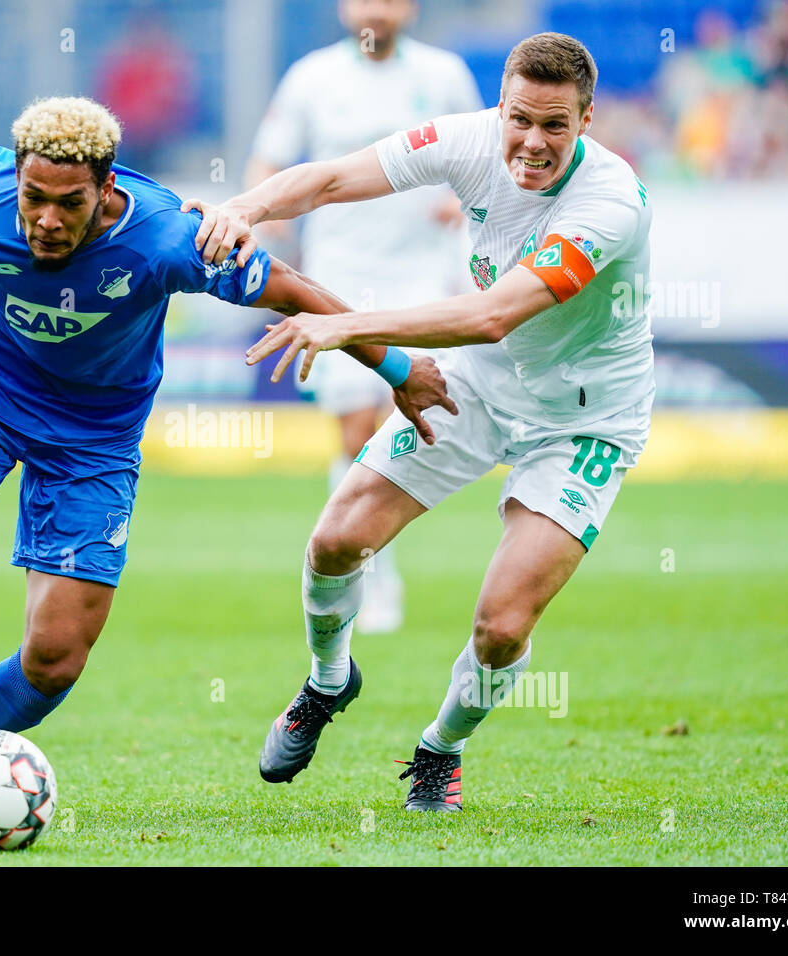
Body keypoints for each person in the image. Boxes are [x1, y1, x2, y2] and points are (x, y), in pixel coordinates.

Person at [0, 96, 454, 819]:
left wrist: (396, 370)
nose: (44, 220)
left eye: (67, 204)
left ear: (106, 192)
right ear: (14, 180)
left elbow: (293, 289)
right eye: (32, 198)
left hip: (92, 437)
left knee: (55, 659)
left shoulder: (166, 239)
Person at [189, 32, 654, 811]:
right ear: (499, 106)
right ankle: (328, 680)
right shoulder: (468, 138)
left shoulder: (611, 202)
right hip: (477, 386)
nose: (532, 143)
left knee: (502, 627)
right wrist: (246, 206)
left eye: (555, 126)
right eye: (519, 119)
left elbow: (495, 313)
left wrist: (347, 326)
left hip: (585, 420)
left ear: (587, 120)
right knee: (337, 538)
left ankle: (441, 748)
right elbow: (336, 176)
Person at [246, 0, 481, 632]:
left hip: (422, 275)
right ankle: (363, 571)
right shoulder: (311, 78)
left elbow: (485, 159)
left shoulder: (445, 75)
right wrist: (259, 225)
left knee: (400, 416)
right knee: (355, 431)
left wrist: (467, 206)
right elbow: (269, 161)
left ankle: (369, 560)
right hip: (339, 277)